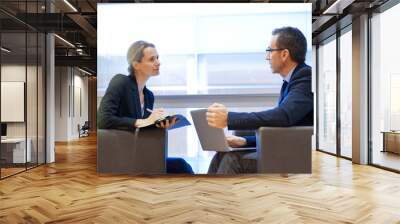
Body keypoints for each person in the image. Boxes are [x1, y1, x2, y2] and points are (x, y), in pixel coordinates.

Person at [206, 27, 313, 174]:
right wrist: (245, 141)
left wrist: (229, 118)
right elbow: (281, 126)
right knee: (221, 155)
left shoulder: (305, 77)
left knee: (232, 160)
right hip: (285, 146)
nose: (267, 57)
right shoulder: (290, 81)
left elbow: (283, 116)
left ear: (284, 54)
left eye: (270, 51)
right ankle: (207, 196)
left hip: (294, 154)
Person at [97, 40, 194, 174]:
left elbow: (144, 130)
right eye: (151, 59)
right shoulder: (121, 82)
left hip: (139, 152)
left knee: (182, 165)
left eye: (158, 58)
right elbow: (102, 119)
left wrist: (158, 125)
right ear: (136, 64)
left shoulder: (149, 96)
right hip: (119, 155)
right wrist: (142, 122)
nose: (158, 62)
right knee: (181, 167)